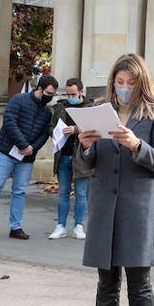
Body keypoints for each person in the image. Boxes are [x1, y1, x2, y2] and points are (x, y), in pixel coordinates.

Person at [77, 53, 154, 306]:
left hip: (136, 211)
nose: (124, 88)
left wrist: (136, 145)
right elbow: (83, 167)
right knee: (106, 287)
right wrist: (86, 145)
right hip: (105, 208)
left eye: (130, 82)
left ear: (141, 82)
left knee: (139, 288)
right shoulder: (100, 111)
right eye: (119, 82)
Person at [0, 75, 56, 242]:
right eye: (48, 93)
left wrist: (32, 149)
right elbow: (9, 122)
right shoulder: (19, 99)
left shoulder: (47, 112)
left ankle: (15, 227)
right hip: (5, 152)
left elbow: (44, 134)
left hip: (26, 157)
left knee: (19, 191)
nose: (50, 97)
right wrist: (24, 144)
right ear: (39, 88)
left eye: (52, 94)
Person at [48, 78, 89, 241]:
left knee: (80, 193)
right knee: (63, 193)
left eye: (73, 93)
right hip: (63, 155)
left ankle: (78, 226)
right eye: (68, 93)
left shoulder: (89, 107)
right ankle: (61, 226)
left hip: (81, 156)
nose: (70, 96)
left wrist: (75, 129)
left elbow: (94, 128)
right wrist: (56, 133)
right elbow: (50, 127)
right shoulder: (59, 107)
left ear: (81, 92)